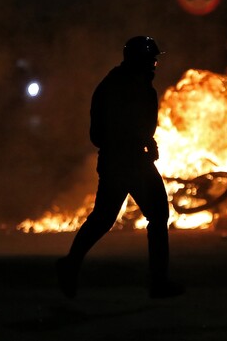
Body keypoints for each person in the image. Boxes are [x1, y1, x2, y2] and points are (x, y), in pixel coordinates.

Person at [56, 36, 185, 299]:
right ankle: (156, 282)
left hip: (133, 161)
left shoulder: (140, 86)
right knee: (115, 218)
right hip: (123, 163)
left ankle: (72, 265)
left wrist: (149, 142)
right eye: (151, 59)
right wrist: (133, 145)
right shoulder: (115, 87)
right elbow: (100, 133)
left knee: (131, 217)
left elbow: (143, 125)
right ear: (138, 60)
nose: (155, 64)